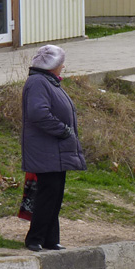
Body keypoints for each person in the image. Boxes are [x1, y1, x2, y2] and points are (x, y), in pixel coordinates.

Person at [21, 45, 86, 252]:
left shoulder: (48, 82)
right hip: (46, 151)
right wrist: (63, 131)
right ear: (52, 66)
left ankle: (50, 239)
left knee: (55, 196)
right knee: (48, 196)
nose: (63, 67)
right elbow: (38, 113)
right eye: (60, 64)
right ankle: (35, 239)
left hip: (55, 151)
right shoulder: (39, 82)